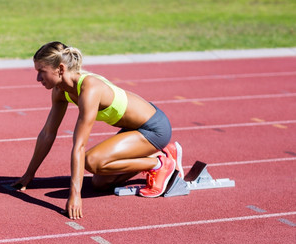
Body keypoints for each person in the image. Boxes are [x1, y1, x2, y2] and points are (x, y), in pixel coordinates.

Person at [13, 41, 183, 220]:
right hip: (133, 130)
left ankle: (159, 163)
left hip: (154, 129)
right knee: (99, 183)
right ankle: (161, 153)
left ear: (60, 69)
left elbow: (79, 145)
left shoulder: (90, 88)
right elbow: (48, 133)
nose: (38, 78)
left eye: (41, 71)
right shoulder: (60, 90)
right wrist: (29, 174)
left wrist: (75, 195)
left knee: (91, 161)